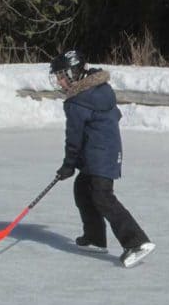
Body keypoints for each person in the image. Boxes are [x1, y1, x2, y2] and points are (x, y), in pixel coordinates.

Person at [50, 50, 155, 267]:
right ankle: (95, 238)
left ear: (75, 72)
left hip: (100, 154)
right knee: (82, 187)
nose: (59, 81)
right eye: (57, 76)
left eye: (62, 75)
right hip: (103, 151)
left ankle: (137, 242)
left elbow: (74, 138)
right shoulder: (98, 88)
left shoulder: (77, 101)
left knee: (102, 196)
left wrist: (68, 165)